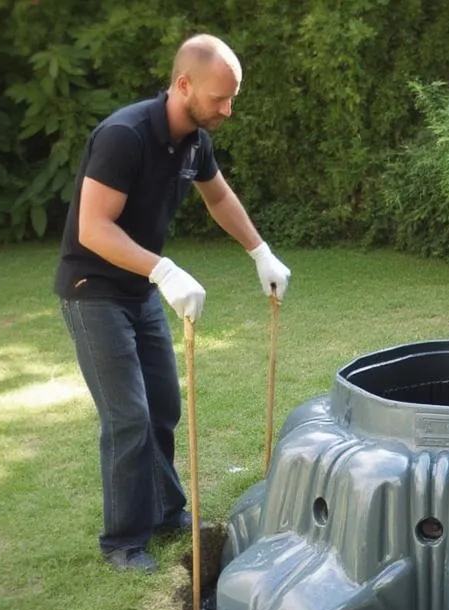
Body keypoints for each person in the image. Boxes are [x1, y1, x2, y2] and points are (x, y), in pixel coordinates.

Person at [56, 34, 291, 573]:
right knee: (129, 418)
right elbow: (93, 228)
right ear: (183, 85)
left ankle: (165, 513)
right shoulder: (125, 136)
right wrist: (164, 269)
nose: (228, 110)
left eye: (232, 98)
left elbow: (219, 196)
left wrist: (261, 253)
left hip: (138, 291)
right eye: (219, 98)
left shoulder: (194, 143)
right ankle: (123, 542)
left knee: (163, 406)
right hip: (93, 291)